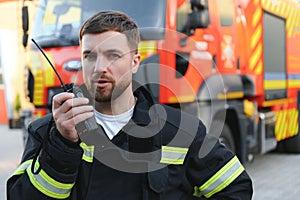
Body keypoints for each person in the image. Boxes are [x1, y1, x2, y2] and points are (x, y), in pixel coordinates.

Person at [7, 10, 253, 199]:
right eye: (89, 55)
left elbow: (236, 188)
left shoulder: (180, 130)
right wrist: (62, 145)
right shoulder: (48, 132)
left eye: (113, 55)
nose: (99, 67)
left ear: (135, 62)